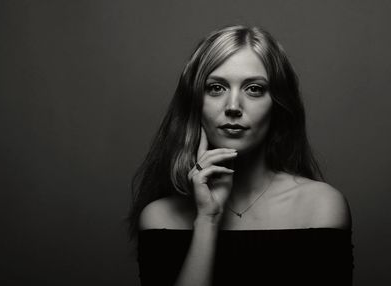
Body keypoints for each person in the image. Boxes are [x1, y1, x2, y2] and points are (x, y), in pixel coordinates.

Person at [128, 25, 354, 286]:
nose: (233, 107)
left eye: (254, 89)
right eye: (216, 88)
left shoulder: (320, 206)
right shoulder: (159, 217)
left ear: (278, 105)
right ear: (195, 103)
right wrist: (207, 220)